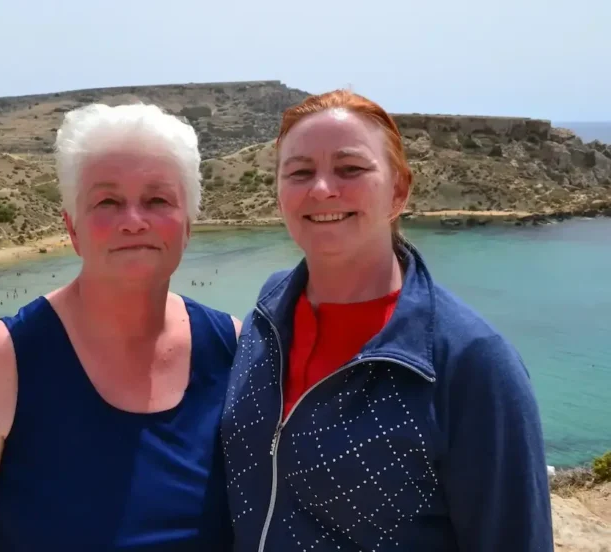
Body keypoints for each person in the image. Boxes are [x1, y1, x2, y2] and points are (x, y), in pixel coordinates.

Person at [221, 90, 553, 551]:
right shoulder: (268, 312)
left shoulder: (470, 361)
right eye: (299, 172)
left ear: (398, 190)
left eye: (350, 169)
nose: (321, 189)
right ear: (279, 193)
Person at [0, 103, 241, 552]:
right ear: (72, 228)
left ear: (189, 226)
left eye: (158, 200)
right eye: (107, 202)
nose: (133, 220)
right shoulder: (8, 357)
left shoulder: (234, 349)